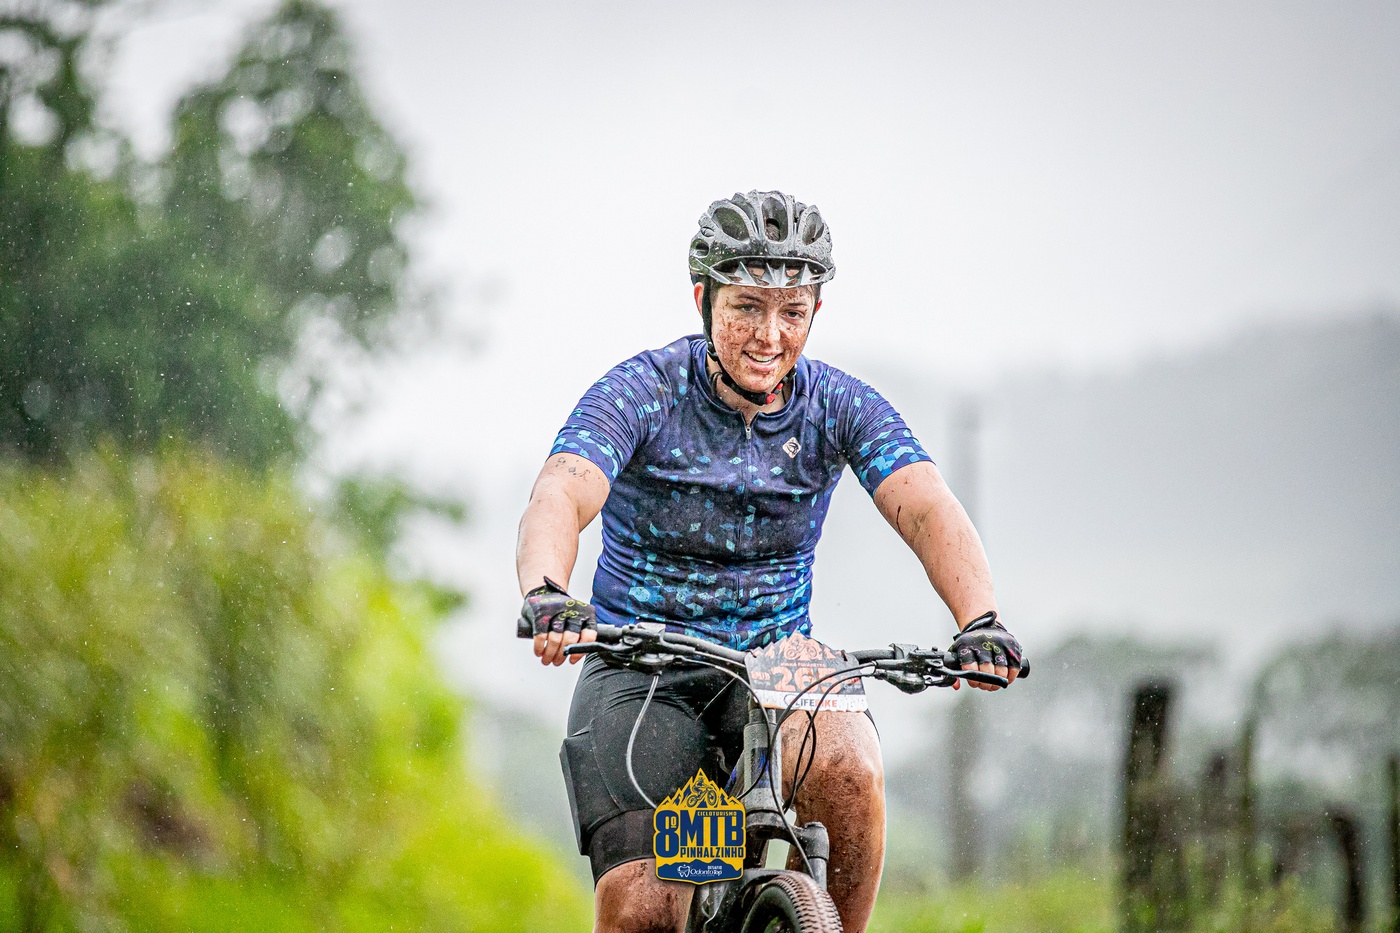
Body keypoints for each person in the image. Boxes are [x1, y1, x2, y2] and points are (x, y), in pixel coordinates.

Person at [515, 190, 1023, 933]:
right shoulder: (644, 391)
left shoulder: (837, 403)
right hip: (646, 666)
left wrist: (981, 619)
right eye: (747, 308)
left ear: (816, 310)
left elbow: (926, 507)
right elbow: (562, 490)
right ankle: (693, 879)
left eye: (793, 311)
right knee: (649, 907)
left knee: (848, 765)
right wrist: (547, 590)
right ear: (703, 300)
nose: (769, 334)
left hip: (780, 662)